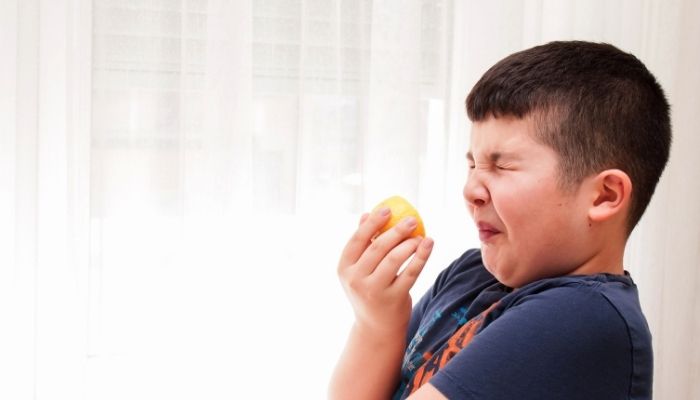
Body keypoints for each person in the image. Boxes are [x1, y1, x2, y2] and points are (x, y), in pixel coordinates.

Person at [328, 40, 671, 400]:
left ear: (604, 196)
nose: (470, 189)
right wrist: (377, 324)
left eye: (501, 165)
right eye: (472, 164)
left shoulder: (584, 316)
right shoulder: (470, 275)